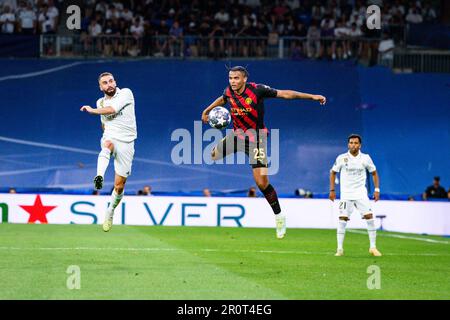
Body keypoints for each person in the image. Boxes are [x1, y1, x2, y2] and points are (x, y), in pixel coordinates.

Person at [201, 66, 326, 239]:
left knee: (261, 182)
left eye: (236, 78)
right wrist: (207, 110)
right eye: (230, 78)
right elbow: (223, 99)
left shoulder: (257, 90)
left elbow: (286, 94)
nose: (233, 81)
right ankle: (228, 144)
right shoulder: (229, 91)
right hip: (237, 136)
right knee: (212, 155)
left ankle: (279, 216)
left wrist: (312, 97)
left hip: (256, 139)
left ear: (244, 79)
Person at [80, 72, 137, 232]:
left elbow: (112, 109)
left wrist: (92, 111)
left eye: (111, 81)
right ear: (100, 87)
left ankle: (110, 210)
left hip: (127, 142)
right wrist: (104, 130)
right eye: (105, 83)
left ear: (115, 82)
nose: (109, 84)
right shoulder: (100, 102)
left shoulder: (126, 93)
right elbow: (104, 123)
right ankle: (99, 176)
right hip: (111, 136)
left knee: (119, 187)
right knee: (107, 144)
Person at [329, 134, 382, 257]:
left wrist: (377, 190)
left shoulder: (366, 158)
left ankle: (373, 247)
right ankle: (340, 249)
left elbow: (374, 173)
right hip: (346, 194)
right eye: (351, 143)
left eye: (356, 143)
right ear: (348, 144)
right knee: (342, 219)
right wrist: (332, 190)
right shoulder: (341, 158)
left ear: (360, 145)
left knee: (369, 217)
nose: (353, 145)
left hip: (361, 193)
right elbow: (333, 173)